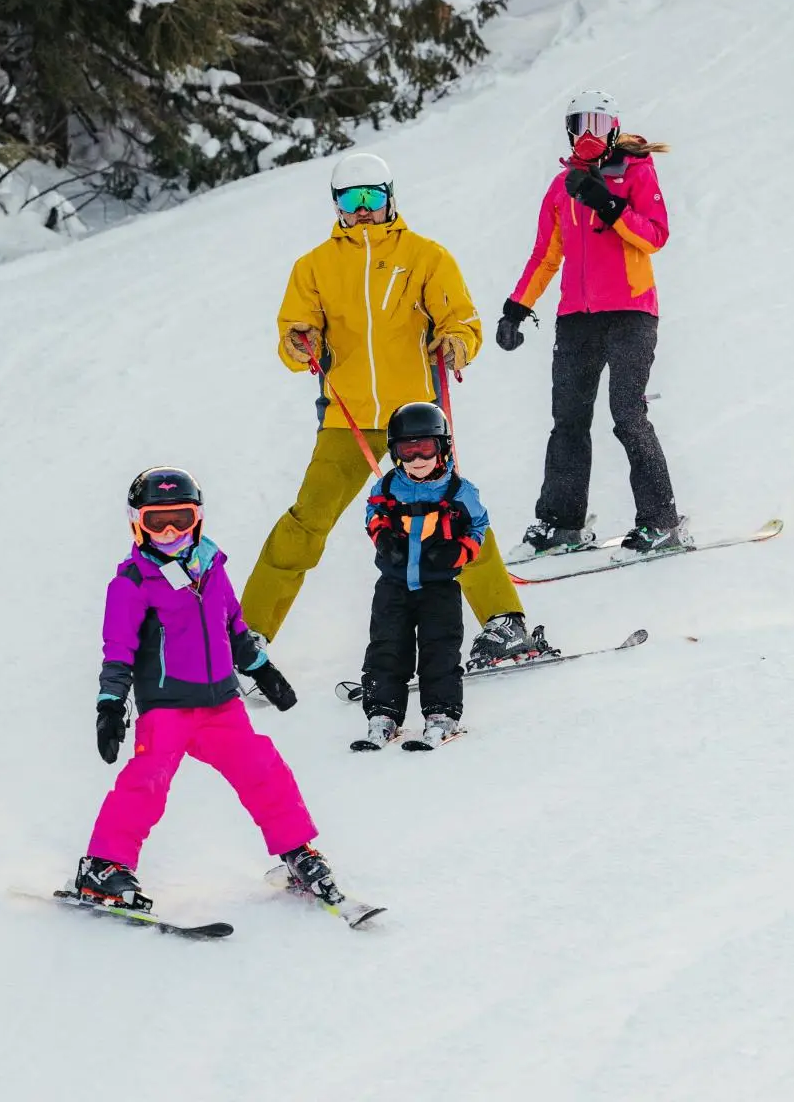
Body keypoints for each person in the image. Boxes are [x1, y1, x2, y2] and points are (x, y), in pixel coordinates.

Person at [241, 151, 551, 668]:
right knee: (306, 521)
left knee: (451, 513)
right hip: (349, 418)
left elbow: (462, 319)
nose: (363, 210)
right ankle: (247, 635)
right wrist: (300, 343)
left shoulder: (426, 256)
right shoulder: (314, 266)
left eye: (372, 198)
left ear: (390, 199)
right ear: (336, 205)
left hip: (415, 416)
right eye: (350, 200)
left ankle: (505, 623)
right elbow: (292, 331)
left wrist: (456, 341)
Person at [75, 466, 345, 912]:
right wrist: (110, 705)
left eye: (179, 519)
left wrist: (264, 671)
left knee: (265, 770)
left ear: (197, 519)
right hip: (166, 708)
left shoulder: (211, 568)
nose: (168, 531)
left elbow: (234, 628)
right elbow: (118, 651)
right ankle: (103, 866)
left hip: (222, 705)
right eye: (154, 521)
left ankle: (298, 851)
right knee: (146, 783)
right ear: (135, 522)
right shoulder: (132, 582)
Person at [496, 90, 687, 555]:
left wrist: (610, 204)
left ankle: (661, 522)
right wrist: (516, 308)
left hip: (630, 314)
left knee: (627, 414)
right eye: (580, 125)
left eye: (599, 125)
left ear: (614, 129)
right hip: (576, 319)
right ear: (568, 130)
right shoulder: (561, 187)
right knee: (568, 421)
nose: (589, 135)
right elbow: (545, 255)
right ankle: (561, 523)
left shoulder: (636, 172)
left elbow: (655, 235)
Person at [354, 402, 486, 751]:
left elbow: (479, 527)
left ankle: (441, 714)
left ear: (441, 446)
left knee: (439, 649)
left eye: (424, 448)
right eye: (406, 451)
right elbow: (373, 513)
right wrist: (383, 538)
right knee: (386, 648)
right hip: (394, 585)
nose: (416, 460)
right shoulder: (388, 486)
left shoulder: (458, 491)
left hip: (438, 587)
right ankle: (383, 714)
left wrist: (457, 552)